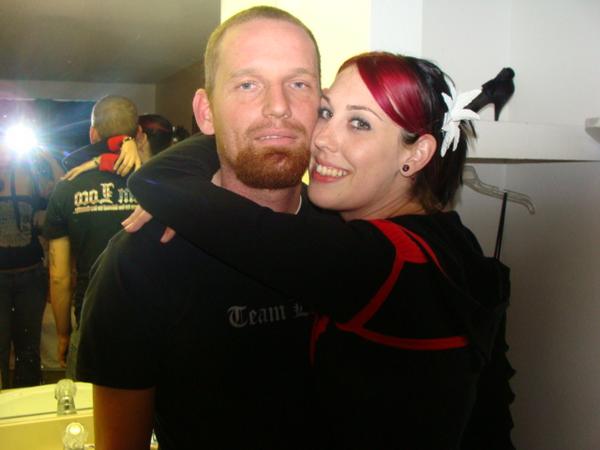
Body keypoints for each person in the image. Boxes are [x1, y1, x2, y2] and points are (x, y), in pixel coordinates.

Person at [125, 52, 513, 449]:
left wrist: (226, 150)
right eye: (326, 112)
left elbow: (159, 179)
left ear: (416, 154)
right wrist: (197, 198)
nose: (321, 138)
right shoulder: (447, 239)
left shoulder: (376, 260)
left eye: (359, 123)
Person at [77, 7, 327, 450]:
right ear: (206, 112)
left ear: (321, 106)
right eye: (248, 84)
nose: (278, 106)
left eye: (299, 83)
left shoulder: (352, 235)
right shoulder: (139, 262)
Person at [43, 95, 143, 379]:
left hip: (92, 317)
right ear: (138, 134)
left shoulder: (67, 188)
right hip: (148, 316)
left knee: (89, 404)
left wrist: (64, 334)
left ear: (92, 134)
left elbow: (59, 276)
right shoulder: (157, 180)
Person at [0, 126, 62, 388]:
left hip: (30, 276)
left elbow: (61, 190)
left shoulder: (31, 176)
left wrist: (46, 156)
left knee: (29, 347)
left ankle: (27, 399)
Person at [60, 113, 174, 181]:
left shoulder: (133, 175)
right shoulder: (170, 174)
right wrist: (126, 140)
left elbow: (70, 161)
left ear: (140, 136)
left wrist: (99, 161)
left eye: (131, 134)